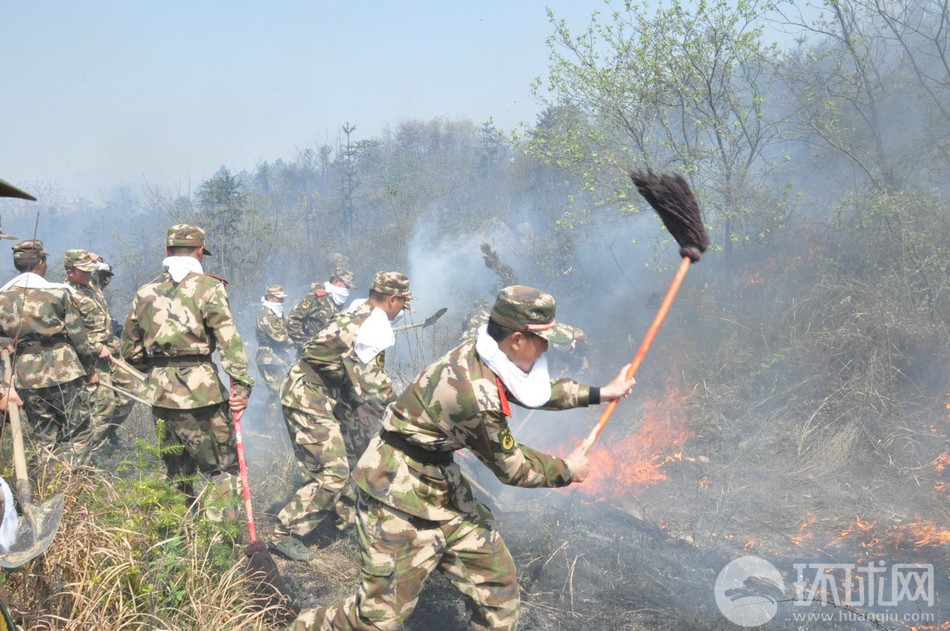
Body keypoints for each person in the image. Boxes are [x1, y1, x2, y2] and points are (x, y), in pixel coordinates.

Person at [292, 285, 636, 630]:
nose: (546, 347)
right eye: (540, 339)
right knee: (376, 622)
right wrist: (567, 469)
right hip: (395, 494)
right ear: (516, 339)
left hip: (441, 486)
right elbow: (512, 467)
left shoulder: (486, 350)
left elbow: (533, 391)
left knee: (497, 594)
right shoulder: (475, 394)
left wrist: (600, 393)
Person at [271, 272, 412, 563]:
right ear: (393, 299)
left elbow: (343, 364)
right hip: (307, 395)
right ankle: (285, 533)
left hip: (327, 392)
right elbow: (375, 382)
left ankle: (348, 522)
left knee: (356, 455)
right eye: (403, 303)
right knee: (332, 473)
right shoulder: (373, 326)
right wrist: (405, 416)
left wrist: (356, 402)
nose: (403, 310)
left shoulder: (360, 311)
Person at [121, 224, 254, 519]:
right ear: (199, 252)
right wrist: (242, 389)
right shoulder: (209, 288)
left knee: (176, 473)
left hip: (161, 397)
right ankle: (222, 545)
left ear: (167, 251)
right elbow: (229, 342)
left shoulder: (145, 293)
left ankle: (178, 539)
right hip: (202, 396)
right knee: (221, 470)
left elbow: (129, 350)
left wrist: (159, 372)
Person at [0, 240, 99, 463]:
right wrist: (90, 369)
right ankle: (73, 481)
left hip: (26, 375)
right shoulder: (58, 293)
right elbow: (78, 337)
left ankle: (49, 483)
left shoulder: (2, 298)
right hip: (65, 370)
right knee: (79, 431)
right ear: (42, 263)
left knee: (44, 435)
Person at [63, 249, 121, 454]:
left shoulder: (91, 284)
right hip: (92, 357)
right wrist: (97, 347)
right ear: (71, 272)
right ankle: (85, 454)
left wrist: (100, 260)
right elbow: (71, 331)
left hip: (111, 350)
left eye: (90, 270)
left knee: (128, 394)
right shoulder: (66, 294)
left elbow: (106, 274)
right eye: (85, 271)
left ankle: (108, 434)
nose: (89, 274)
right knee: (103, 407)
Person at [286, 267, 356, 350]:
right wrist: (305, 344)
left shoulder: (338, 301)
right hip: (308, 356)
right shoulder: (317, 296)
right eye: (346, 286)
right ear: (336, 281)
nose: (347, 290)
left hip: (326, 354)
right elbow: (292, 319)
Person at [255, 284, 295, 401]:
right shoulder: (267, 315)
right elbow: (281, 338)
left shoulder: (276, 313)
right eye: (279, 298)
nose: (282, 300)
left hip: (277, 356)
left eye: (283, 298)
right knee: (278, 396)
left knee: (283, 393)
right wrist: (302, 343)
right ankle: (273, 420)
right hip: (269, 358)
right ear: (270, 297)